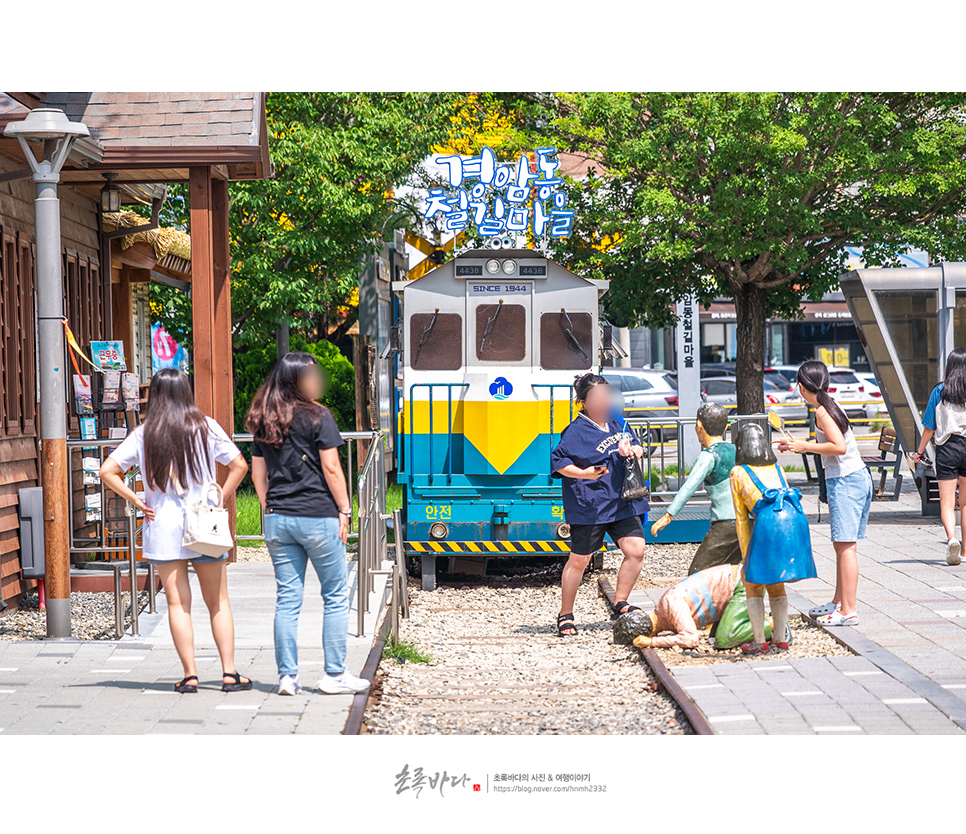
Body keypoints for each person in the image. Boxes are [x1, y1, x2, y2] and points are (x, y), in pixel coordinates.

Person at [99, 369, 252, 694]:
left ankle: (190, 675)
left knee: (177, 605)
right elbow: (240, 464)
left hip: (163, 526)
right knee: (218, 602)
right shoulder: (206, 427)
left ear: (154, 395)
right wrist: (219, 498)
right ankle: (229, 674)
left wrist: (138, 501)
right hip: (204, 524)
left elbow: (107, 470)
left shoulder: (145, 433)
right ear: (186, 392)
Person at [247, 352, 370, 696]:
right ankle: (333, 674)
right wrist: (345, 510)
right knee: (334, 595)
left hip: (278, 519)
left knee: (287, 599)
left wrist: (270, 507)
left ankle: (287, 677)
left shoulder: (264, 418)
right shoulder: (319, 416)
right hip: (317, 516)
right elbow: (332, 469)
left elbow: (259, 475)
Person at [550, 372, 649, 636]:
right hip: (590, 505)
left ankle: (620, 603)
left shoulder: (618, 422)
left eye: (606, 394)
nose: (604, 400)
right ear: (583, 402)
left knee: (636, 549)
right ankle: (565, 614)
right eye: (597, 396)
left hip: (621, 501)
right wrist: (583, 473)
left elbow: (638, 447)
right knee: (580, 560)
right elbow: (558, 463)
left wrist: (635, 451)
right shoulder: (574, 431)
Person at [777, 360, 872, 626]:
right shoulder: (829, 404)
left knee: (846, 547)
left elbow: (838, 446)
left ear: (801, 386)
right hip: (855, 478)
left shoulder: (821, 411)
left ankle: (848, 611)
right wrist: (798, 446)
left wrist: (804, 446)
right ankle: (839, 602)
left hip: (847, 481)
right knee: (842, 545)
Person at [651, 402, 741, 574]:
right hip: (746, 520)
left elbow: (688, 487)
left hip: (725, 524)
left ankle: (703, 601)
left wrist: (668, 515)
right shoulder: (735, 449)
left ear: (699, 426)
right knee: (733, 571)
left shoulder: (708, 456)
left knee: (697, 574)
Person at [730, 423, 797, 653]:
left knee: (753, 583)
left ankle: (759, 641)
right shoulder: (776, 467)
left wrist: (746, 555)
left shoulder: (738, 472)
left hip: (765, 525)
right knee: (777, 582)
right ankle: (780, 638)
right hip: (790, 522)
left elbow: (741, 519)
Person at [913, 347, 966, 566]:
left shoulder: (939, 391)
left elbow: (929, 427)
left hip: (947, 449)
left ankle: (952, 539)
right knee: (965, 502)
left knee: (946, 502)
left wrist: (919, 451)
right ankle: (965, 553)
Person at [620, 562, 742, 649]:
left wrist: (652, 642)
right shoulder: (663, 607)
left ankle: (760, 628)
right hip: (732, 581)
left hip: (740, 584)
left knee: (724, 639)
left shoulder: (671, 607)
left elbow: (691, 639)